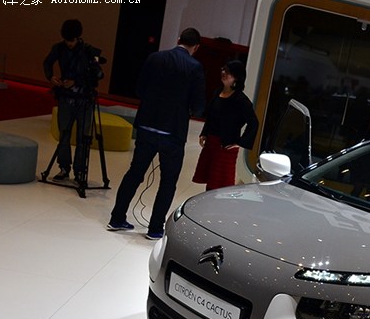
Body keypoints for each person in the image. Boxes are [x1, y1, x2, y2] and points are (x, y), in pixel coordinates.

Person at [107, 28, 205, 239]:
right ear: (196, 47)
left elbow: (139, 89)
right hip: (173, 132)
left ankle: (116, 218)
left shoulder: (155, 58)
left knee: (134, 173)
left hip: (146, 127)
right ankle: (155, 228)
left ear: (178, 39)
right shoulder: (195, 67)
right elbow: (198, 106)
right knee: (168, 182)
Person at [43, 19, 98, 183]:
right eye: (67, 40)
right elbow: (47, 62)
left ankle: (80, 171)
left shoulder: (88, 51)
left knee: (83, 138)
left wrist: (76, 82)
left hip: (84, 99)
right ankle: (64, 168)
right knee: (64, 134)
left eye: (72, 41)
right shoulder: (59, 48)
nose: (69, 44)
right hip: (65, 97)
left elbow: (96, 75)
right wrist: (50, 77)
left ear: (78, 37)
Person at [192, 60, 258, 190]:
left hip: (225, 147)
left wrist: (240, 142)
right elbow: (211, 116)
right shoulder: (218, 92)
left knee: (219, 184)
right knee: (209, 179)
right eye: (223, 69)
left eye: (228, 72)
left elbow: (253, 122)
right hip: (211, 143)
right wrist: (204, 133)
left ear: (236, 77)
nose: (223, 73)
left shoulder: (241, 100)